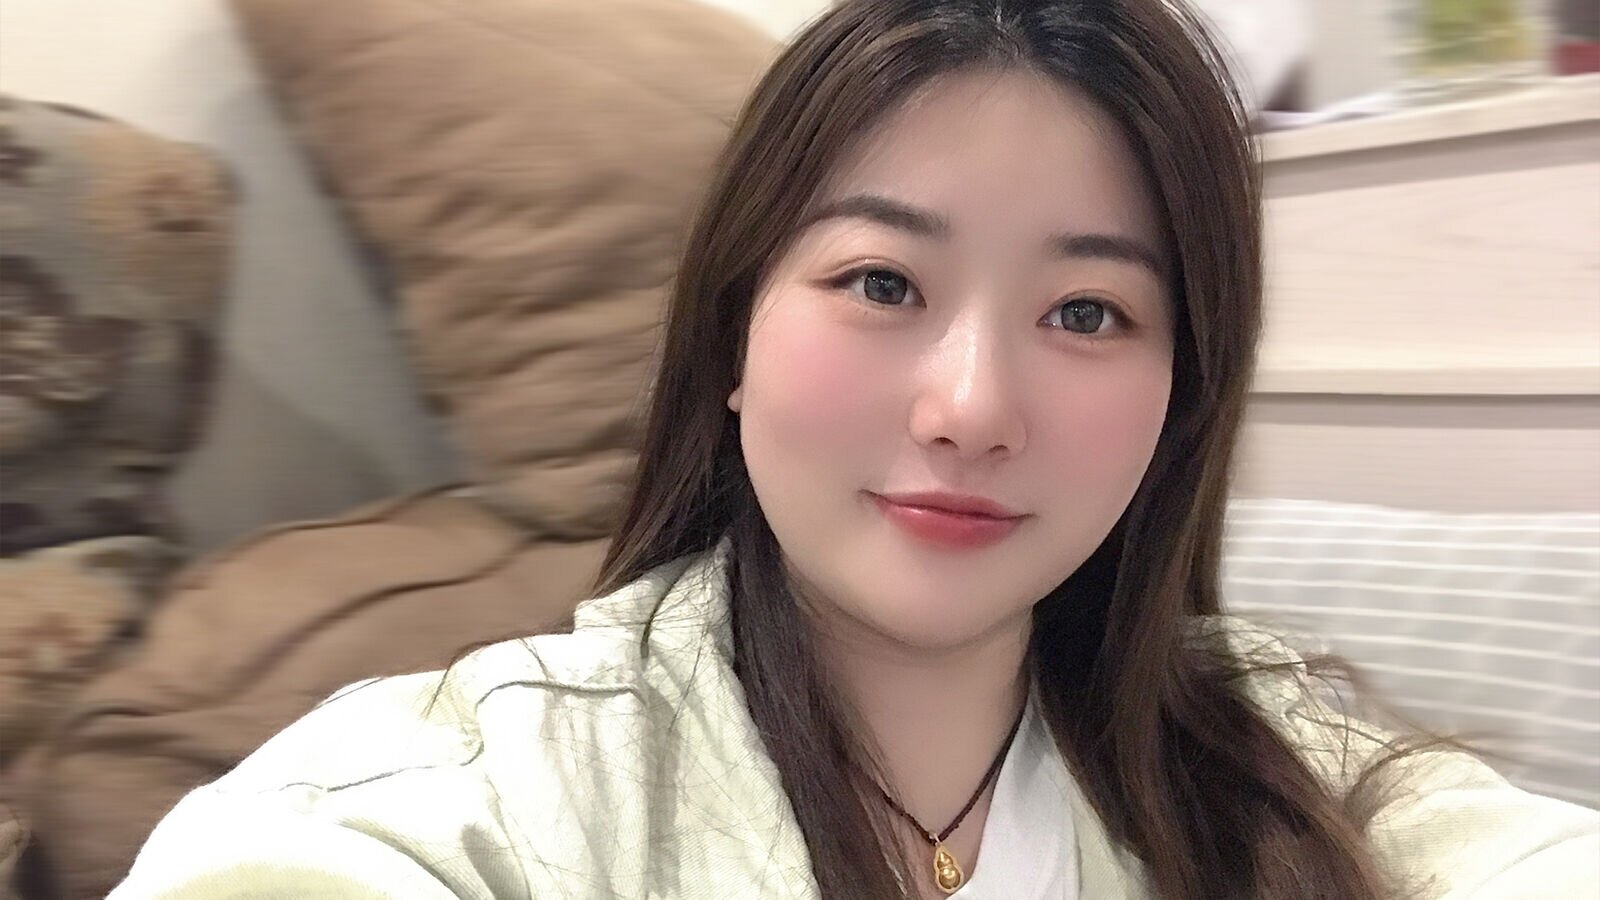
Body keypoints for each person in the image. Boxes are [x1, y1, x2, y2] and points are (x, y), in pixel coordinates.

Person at [109, 0, 1599, 898]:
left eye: (1088, 311)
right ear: (733, 340)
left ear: (1182, 396)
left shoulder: (1287, 757)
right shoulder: (465, 796)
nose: (971, 406)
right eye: (882, 284)